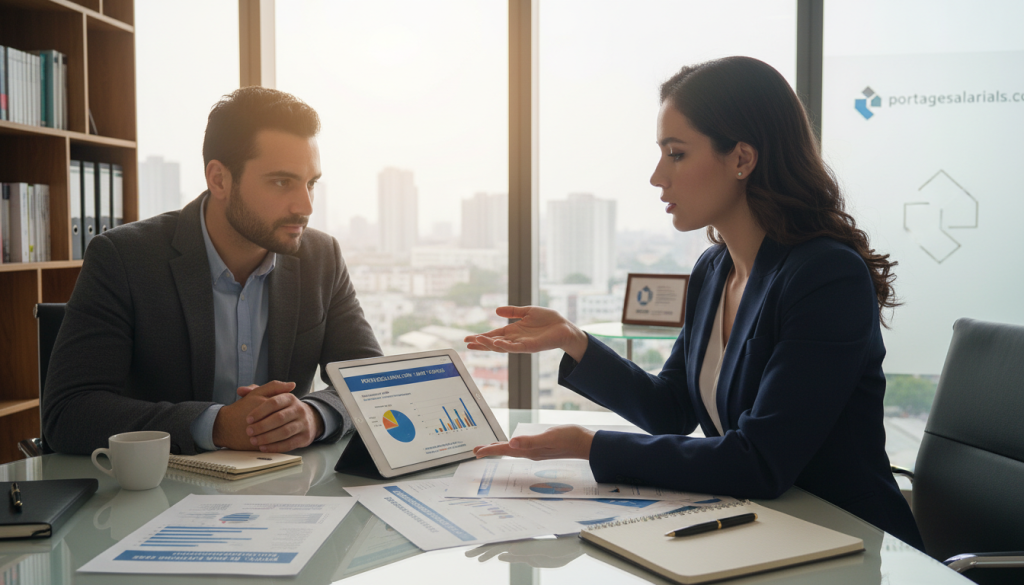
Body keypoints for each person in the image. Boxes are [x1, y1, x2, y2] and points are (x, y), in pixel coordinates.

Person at [466, 56, 924, 550]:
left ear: (742, 158)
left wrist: (589, 446)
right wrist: (574, 342)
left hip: (844, 539)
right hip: (765, 533)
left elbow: (759, 462)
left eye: (676, 154)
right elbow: (672, 410)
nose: (657, 176)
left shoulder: (825, 276)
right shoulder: (715, 269)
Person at [43, 87, 381, 456]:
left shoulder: (321, 257)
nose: (305, 205)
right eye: (282, 182)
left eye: (310, 183)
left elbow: (372, 382)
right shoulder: (123, 258)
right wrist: (216, 425)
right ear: (219, 179)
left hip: (289, 489)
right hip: (159, 496)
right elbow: (68, 412)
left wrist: (315, 415)